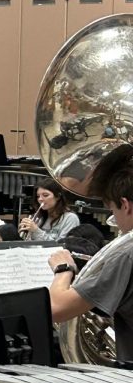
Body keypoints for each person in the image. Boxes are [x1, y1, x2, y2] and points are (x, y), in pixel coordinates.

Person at [48, 144, 133, 361]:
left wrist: (63, 270)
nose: (115, 221)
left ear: (126, 205)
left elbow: (56, 308)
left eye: (113, 210)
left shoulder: (126, 254)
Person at [19, 177, 80, 242]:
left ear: (58, 196)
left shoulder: (70, 218)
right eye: (38, 196)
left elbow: (63, 245)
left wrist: (36, 231)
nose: (40, 199)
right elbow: (29, 244)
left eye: (45, 195)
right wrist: (26, 233)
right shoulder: (40, 217)